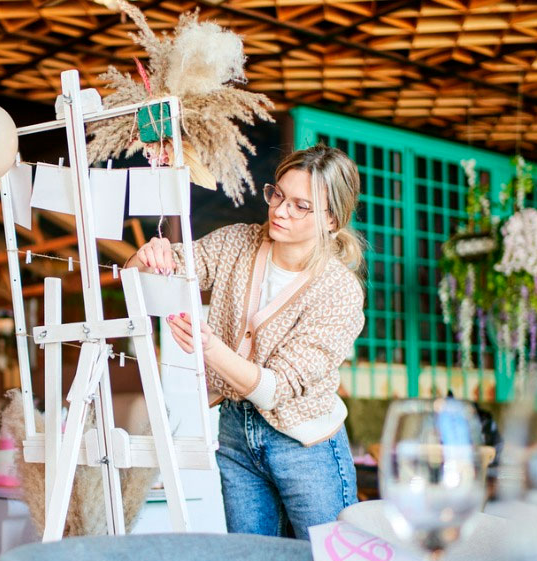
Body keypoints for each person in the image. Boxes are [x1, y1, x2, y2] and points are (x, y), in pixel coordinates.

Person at [125, 144, 366, 540]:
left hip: (306, 445)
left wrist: (210, 348)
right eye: (278, 195)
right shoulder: (238, 243)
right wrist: (148, 256)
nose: (280, 211)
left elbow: (274, 391)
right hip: (237, 433)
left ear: (332, 220)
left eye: (301, 206)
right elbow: (153, 277)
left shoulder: (339, 292)